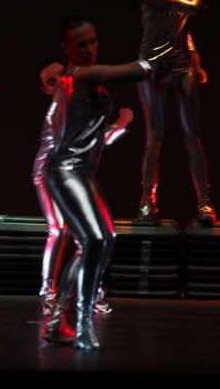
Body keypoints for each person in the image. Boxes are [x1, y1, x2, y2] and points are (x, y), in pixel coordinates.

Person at [43, 18, 153, 351]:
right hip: (65, 170)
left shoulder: (89, 83)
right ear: (67, 50)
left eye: (93, 41)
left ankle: (57, 320)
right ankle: (82, 323)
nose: (89, 49)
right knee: (93, 240)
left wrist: (119, 125)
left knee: (103, 241)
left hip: (83, 172)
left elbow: (94, 136)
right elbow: (135, 70)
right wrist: (163, 56)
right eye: (81, 45)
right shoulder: (80, 75)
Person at [33, 60, 132, 317]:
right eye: (51, 81)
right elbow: (86, 144)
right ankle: (49, 295)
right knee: (60, 229)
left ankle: (89, 293)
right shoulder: (59, 110)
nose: (60, 82)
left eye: (61, 76)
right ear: (46, 89)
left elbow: (93, 142)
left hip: (75, 175)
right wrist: (120, 124)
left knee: (92, 237)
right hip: (50, 173)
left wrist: (117, 125)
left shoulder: (79, 103)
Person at [137, 0, 215, 224]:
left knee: (192, 135)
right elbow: (187, 7)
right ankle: (147, 200)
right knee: (154, 136)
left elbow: (183, 31)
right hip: (153, 67)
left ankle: (204, 203)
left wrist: (196, 62)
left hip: (180, 65)